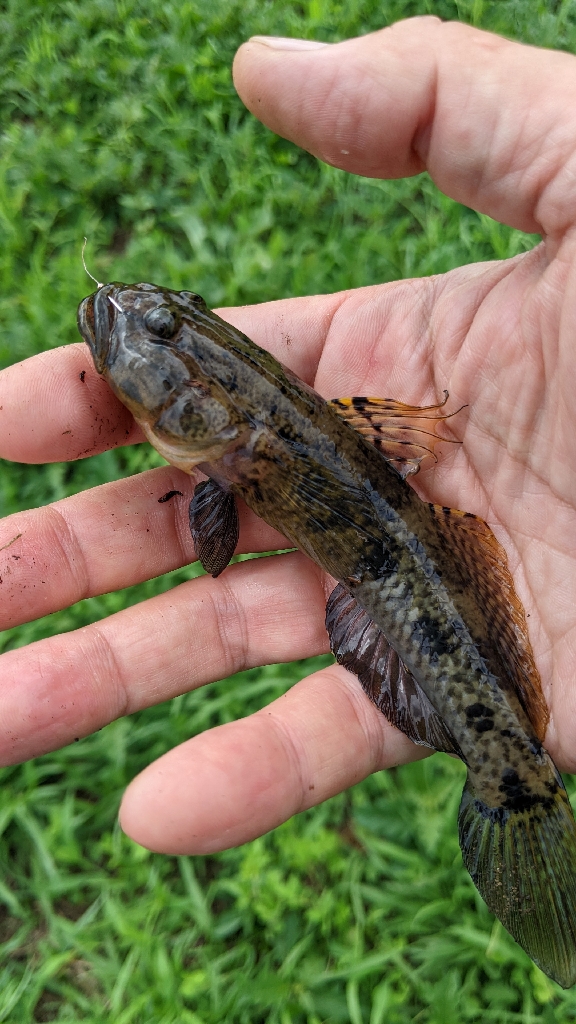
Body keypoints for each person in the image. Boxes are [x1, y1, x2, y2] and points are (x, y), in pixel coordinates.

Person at [0, 16, 575, 856]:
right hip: (394, 555)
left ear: (211, 418)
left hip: (411, 573)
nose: (133, 322)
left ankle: (513, 784)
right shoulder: (234, 441)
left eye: (166, 326)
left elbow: (216, 541)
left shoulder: (234, 450)